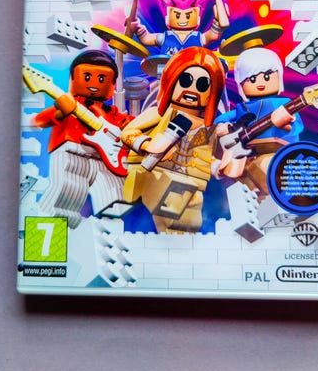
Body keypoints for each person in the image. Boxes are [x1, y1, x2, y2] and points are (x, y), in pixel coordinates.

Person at [121, 46, 226, 233]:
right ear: (172, 80)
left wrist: (219, 167)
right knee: (174, 212)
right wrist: (147, 145)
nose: (192, 90)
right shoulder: (161, 114)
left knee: (189, 225)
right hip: (153, 175)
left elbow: (204, 157)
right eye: (186, 81)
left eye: (202, 85)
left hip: (191, 186)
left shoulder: (208, 129)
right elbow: (128, 132)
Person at [33, 50, 132, 228]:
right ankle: (45, 242)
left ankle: (111, 237)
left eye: (101, 79)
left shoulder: (112, 113)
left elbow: (130, 125)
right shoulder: (70, 105)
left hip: (107, 162)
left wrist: (131, 127)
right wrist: (61, 112)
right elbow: (41, 120)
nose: (94, 84)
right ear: (72, 79)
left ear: (112, 84)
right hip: (74, 153)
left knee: (116, 202)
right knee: (65, 197)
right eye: (87, 76)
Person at [214, 47, 303, 198]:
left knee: (268, 174)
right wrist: (222, 125)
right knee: (244, 188)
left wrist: (286, 125)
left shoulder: (283, 104)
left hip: (274, 153)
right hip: (244, 156)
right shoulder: (243, 107)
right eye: (252, 79)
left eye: (267, 76)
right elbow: (223, 118)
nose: (260, 83)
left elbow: (296, 128)